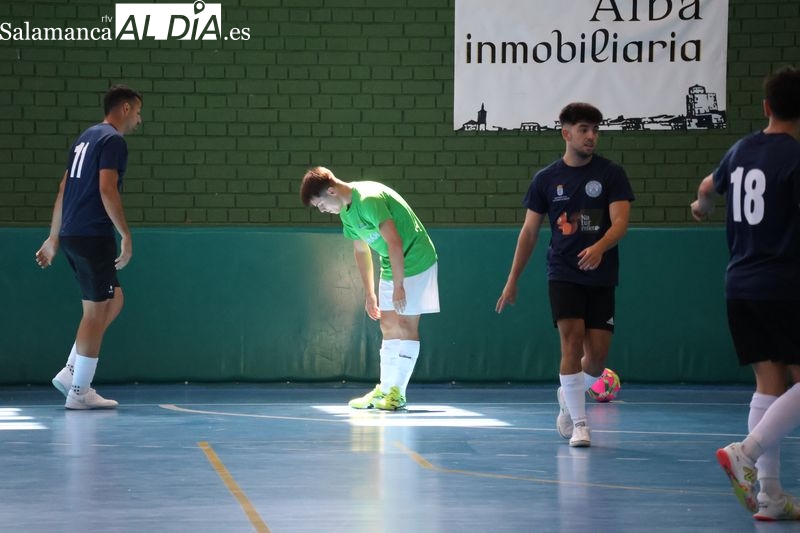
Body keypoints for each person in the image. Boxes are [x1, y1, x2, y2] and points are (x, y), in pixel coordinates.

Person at [692, 66, 800, 521]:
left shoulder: (739, 151)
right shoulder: (795, 157)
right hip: (785, 284)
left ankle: (770, 496)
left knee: (768, 383)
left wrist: (702, 206)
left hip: (740, 284)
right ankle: (747, 452)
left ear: (766, 107)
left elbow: (706, 187)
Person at [496, 102, 634, 447]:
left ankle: (567, 393)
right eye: (584, 129)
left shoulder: (611, 174)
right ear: (566, 133)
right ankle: (580, 423)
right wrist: (512, 280)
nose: (591, 136)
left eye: (595, 130)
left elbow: (620, 222)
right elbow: (529, 232)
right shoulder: (545, 179)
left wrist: (600, 247)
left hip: (601, 274)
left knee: (597, 359)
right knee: (571, 341)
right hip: (563, 272)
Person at [35, 85, 142, 410]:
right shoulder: (113, 140)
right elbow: (107, 188)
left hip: (72, 233)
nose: (139, 120)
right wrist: (125, 234)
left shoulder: (85, 138)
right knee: (94, 314)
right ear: (125, 108)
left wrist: (54, 237)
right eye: (138, 112)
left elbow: (63, 187)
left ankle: (71, 370)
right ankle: (80, 391)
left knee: (114, 300)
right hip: (92, 234)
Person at [300, 167, 439, 410]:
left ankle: (398, 394)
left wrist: (399, 286)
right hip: (390, 263)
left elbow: (395, 242)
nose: (322, 210)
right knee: (388, 325)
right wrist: (370, 293)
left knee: (405, 323)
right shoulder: (346, 214)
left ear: (331, 191)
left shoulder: (368, 199)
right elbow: (361, 250)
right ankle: (384, 389)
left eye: (321, 205)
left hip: (416, 260)